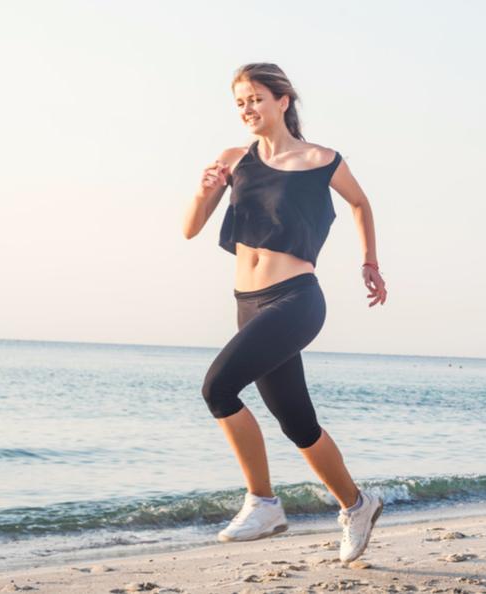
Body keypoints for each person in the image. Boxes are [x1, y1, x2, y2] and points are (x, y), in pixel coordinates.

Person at [182, 62, 388, 564]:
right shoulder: (234, 159)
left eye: (255, 98)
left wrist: (369, 262)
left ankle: (263, 502)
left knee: (217, 388)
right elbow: (190, 228)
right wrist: (205, 188)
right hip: (247, 305)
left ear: (282, 101)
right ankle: (357, 506)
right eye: (239, 102)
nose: (247, 109)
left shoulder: (321, 159)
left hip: (296, 298)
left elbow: (360, 203)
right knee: (298, 423)